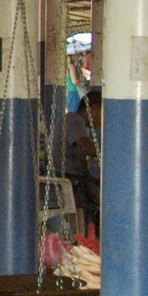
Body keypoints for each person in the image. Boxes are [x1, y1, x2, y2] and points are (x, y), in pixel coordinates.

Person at [62, 88, 102, 229]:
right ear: (94, 109)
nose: (102, 121)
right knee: (101, 202)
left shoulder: (75, 121)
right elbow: (86, 147)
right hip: (71, 178)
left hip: (75, 176)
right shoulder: (74, 119)